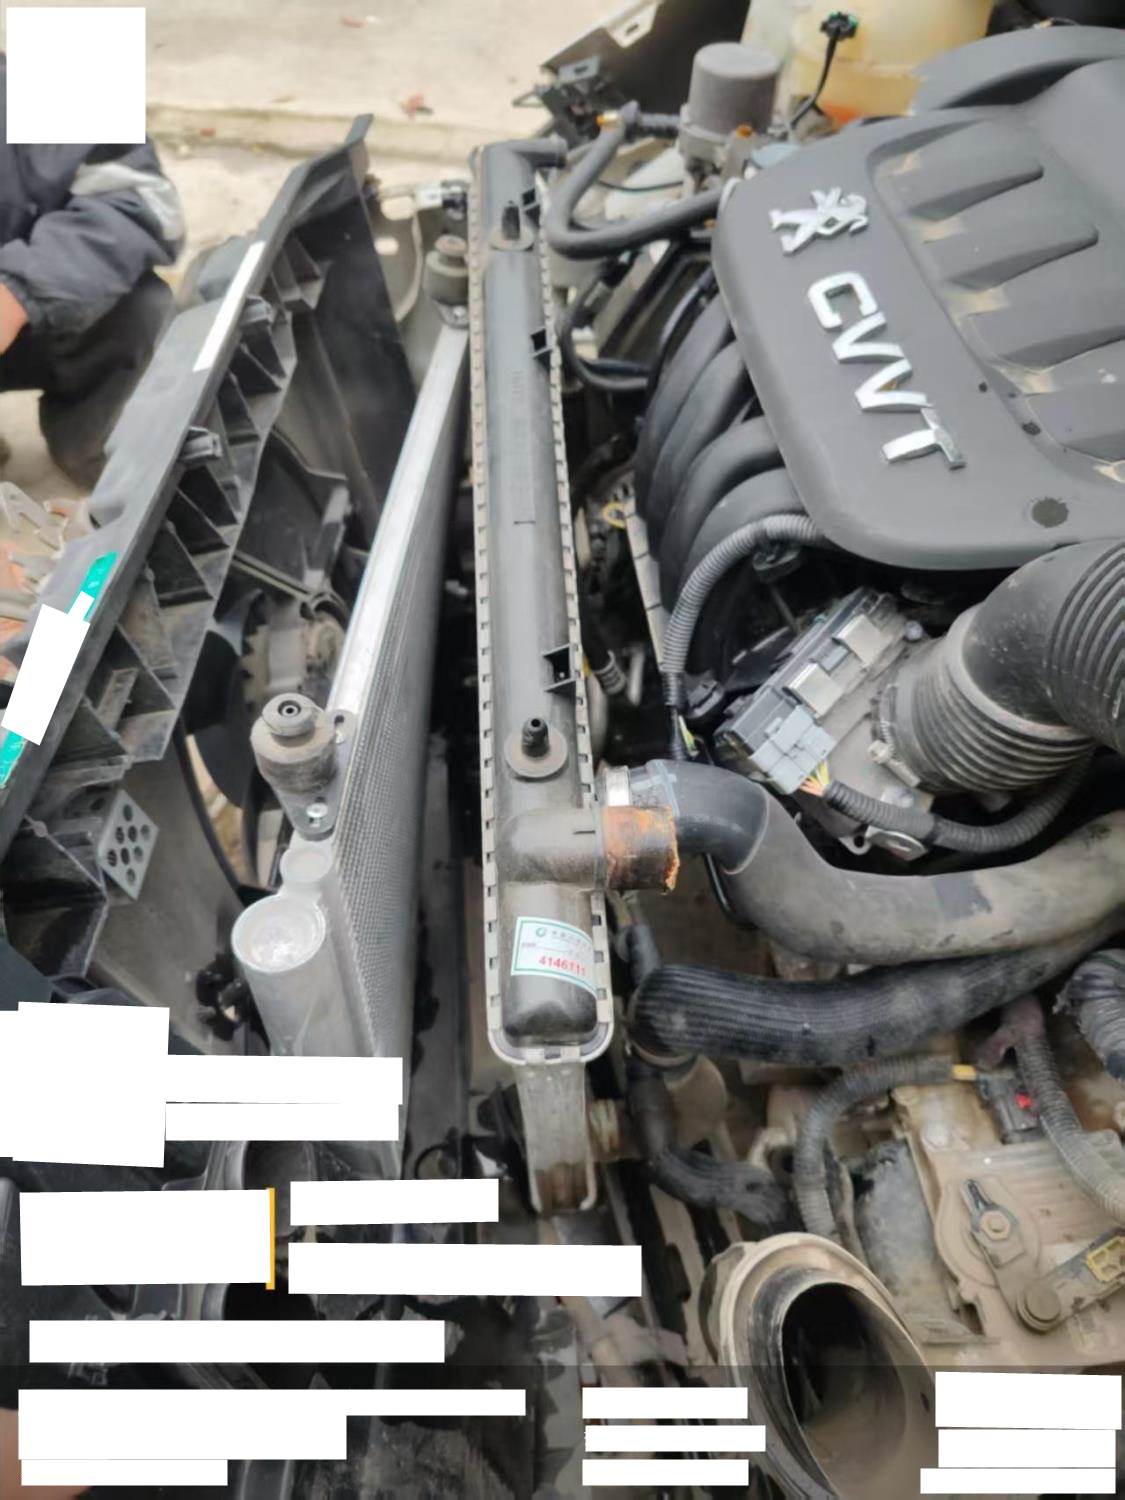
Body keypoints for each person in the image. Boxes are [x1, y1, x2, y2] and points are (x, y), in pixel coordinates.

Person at [0, 55, 184, 489]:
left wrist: (17, 293)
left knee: (140, 310)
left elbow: (146, 203)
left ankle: (98, 449)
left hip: (37, 319)